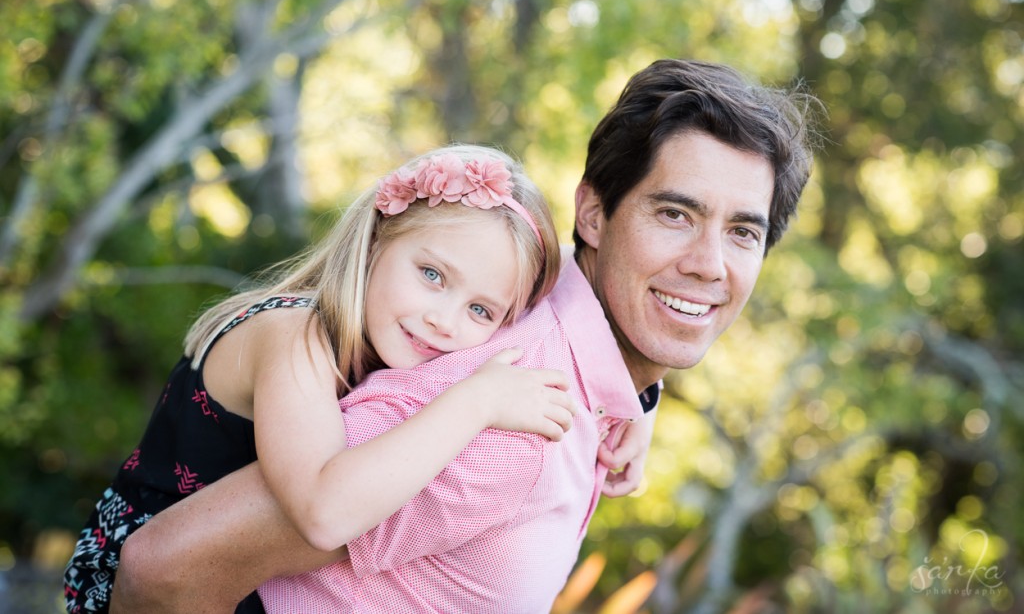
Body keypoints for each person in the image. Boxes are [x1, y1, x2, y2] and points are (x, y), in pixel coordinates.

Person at [111, 58, 818, 613]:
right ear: (595, 215)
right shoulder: (495, 410)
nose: (707, 263)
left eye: (742, 232)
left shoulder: (547, 352)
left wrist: (634, 409)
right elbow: (164, 571)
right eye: (674, 213)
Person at [64, 145, 578, 613]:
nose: (444, 320)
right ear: (377, 239)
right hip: (136, 592)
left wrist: (635, 409)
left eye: (481, 311)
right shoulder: (294, 334)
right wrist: (477, 401)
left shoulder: (382, 349)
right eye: (432, 275)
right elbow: (322, 512)